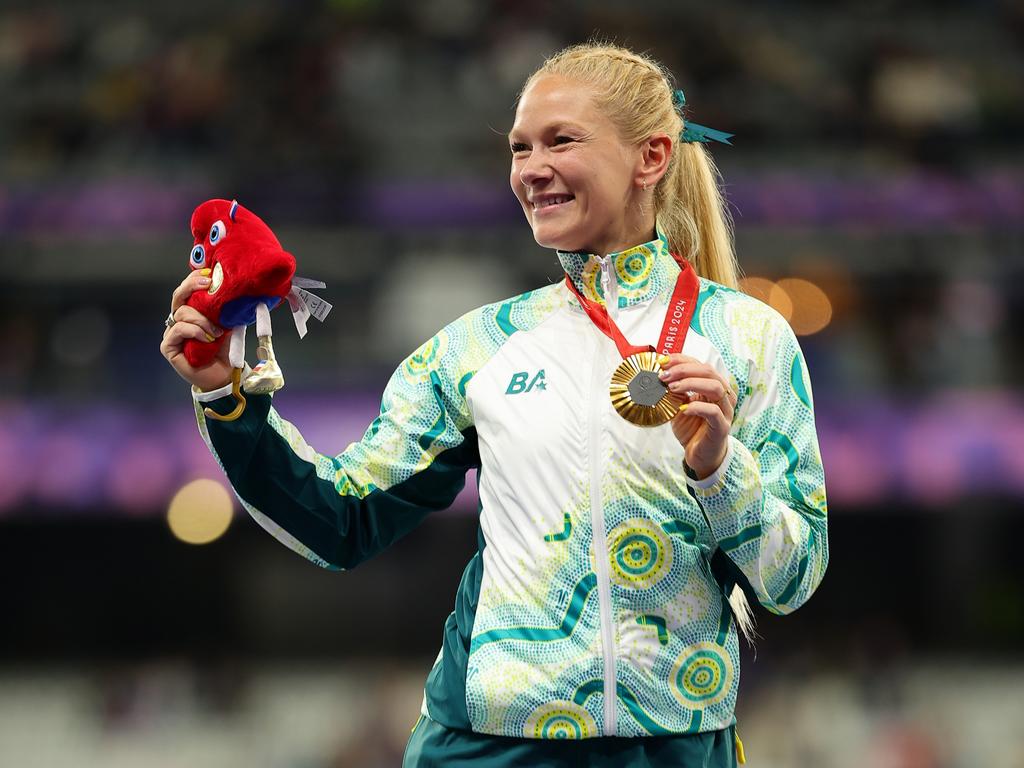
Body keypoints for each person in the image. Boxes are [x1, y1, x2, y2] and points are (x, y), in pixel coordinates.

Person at [160, 42, 828, 768]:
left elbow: (791, 580)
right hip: (488, 750)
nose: (531, 168)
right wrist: (226, 396)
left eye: (560, 140)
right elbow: (341, 523)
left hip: (677, 746)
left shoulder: (748, 337)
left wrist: (719, 470)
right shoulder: (477, 350)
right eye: (519, 148)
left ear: (653, 156)